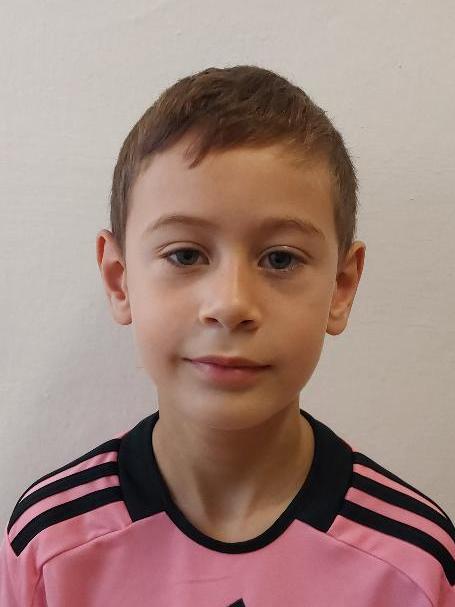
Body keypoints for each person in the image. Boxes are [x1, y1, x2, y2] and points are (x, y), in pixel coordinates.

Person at [1, 64, 454, 606]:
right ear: (120, 280)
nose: (231, 304)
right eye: (185, 255)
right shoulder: (49, 548)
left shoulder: (415, 567)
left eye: (280, 259)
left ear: (341, 286)